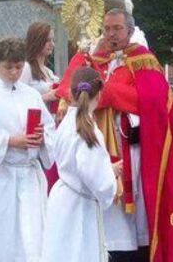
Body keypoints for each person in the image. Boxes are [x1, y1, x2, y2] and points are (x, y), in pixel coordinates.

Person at [56, 8, 173, 262]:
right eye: (107, 28)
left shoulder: (143, 58)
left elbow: (152, 101)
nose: (111, 34)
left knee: (136, 209)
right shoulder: (93, 59)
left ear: (130, 31)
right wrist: (88, 60)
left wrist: (109, 92)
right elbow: (73, 90)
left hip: (133, 146)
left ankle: (139, 251)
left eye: (117, 29)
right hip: (98, 142)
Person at [0, 38, 55, 262]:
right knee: (2, 230)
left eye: (18, 67)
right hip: (2, 174)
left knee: (32, 229)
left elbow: (50, 127)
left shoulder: (31, 95)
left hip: (29, 172)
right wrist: (11, 141)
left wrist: (42, 138)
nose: (14, 72)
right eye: (8, 67)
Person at [41, 67, 121, 262]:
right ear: (100, 94)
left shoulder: (66, 123)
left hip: (62, 197)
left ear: (70, 92)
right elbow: (96, 179)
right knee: (79, 252)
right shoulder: (87, 129)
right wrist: (111, 173)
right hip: (79, 206)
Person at [20, 22, 60, 191]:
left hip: (51, 125)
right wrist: (47, 96)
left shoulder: (48, 71)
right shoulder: (27, 68)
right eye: (47, 40)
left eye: (52, 40)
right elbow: (20, 97)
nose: (52, 44)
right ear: (37, 41)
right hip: (34, 126)